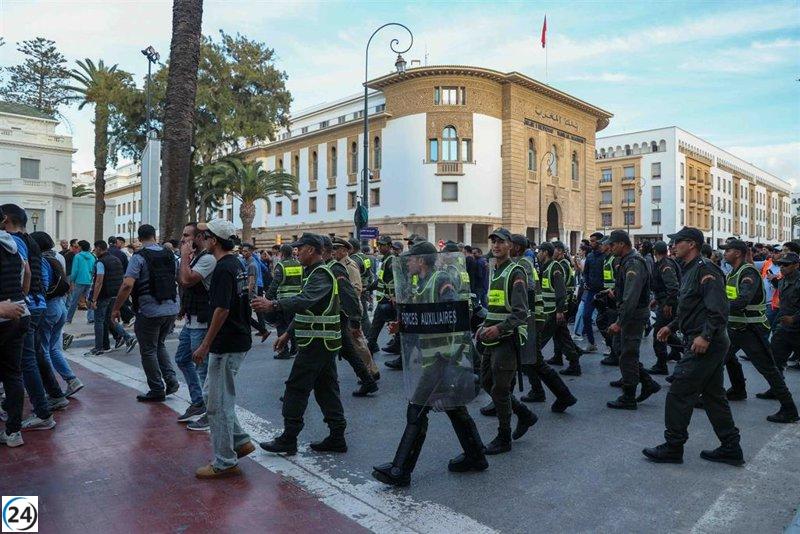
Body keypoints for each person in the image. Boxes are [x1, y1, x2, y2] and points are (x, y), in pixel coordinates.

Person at [372, 240, 487, 487]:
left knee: (417, 409)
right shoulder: (423, 282)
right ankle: (476, 456)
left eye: (411, 259)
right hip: (436, 357)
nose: (408, 264)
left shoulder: (441, 279)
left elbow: (452, 313)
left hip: (442, 358)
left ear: (421, 260)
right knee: (455, 408)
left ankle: (400, 470)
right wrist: (404, 324)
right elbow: (425, 316)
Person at [644, 227, 743, 467]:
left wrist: (705, 336)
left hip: (706, 343)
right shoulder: (688, 269)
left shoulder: (705, 269)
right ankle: (731, 447)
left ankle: (673, 447)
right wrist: (671, 326)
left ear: (691, 244)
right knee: (713, 396)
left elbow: (719, 309)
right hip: (702, 339)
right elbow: (691, 306)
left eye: (677, 242)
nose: (673, 246)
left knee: (679, 392)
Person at [255, 233, 347, 455]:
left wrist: (273, 305)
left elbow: (304, 300)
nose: (296, 252)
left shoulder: (321, 274)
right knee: (326, 389)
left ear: (312, 250)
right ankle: (337, 437)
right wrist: (288, 334)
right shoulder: (312, 273)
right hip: (320, 342)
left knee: (296, 388)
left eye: (300, 248)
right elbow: (307, 308)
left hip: (317, 343)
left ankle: (289, 438)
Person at [191, 219, 255, 478]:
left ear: (214, 240)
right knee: (213, 395)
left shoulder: (223, 268)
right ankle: (240, 441)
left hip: (226, 343)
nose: (202, 240)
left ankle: (224, 461)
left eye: (205, 236)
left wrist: (205, 344)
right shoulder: (236, 264)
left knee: (218, 404)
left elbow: (222, 309)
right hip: (235, 339)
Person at [0, 204, 66, 430]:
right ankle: (53, 396)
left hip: (19, 307)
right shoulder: (31, 241)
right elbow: (31, 272)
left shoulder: (11, 241)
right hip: (35, 304)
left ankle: (42, 412)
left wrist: (20, 298)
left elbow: (25, 272)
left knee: (24, 363)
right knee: (33, 357)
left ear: (6, 220)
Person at [720, 240, 798, 423]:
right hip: (736, 328)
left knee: (769, 369)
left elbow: (743, 300)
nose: (724, 253)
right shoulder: (734, 272)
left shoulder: (748, 273)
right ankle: (737, 389)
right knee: (721, 359)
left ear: (737, 253)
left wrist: (717, 307)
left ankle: (789, 409)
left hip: (750, 329)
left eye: (728, 250)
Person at [476, 228, 537, 455]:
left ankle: (504, 437)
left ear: (510, 245)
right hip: (491, 339)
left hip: (507, 339)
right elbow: (496, 307)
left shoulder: (515, 271)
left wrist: (498, 328)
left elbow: (520, 312)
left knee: (500, 390)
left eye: (501, 242)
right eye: (493, 242)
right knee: (486, 382)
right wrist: (484, 325)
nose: (496, 246)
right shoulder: (496, 271)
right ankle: (525, 414)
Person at [111, 224, 179, 402]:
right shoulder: (169, 254)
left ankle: (157, 388)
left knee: (148, 350)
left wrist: (116, 308)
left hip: (149, 310)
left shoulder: (139, 257)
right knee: (160, 345)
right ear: (154, 236)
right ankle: (171, 380)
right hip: (171, 307)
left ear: (139, 239)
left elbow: (127, 284)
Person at [510, 235, 576, 413]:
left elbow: (527, 293)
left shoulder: (523, 265)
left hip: (532, 317)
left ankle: (563, 395)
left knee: (535, 360)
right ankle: (540, 391)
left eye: (507, 243)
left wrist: (559, 309)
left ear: (516, 247)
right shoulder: (525, 264)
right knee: (530, 360)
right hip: (535, 316)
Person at [605, 230, 661, 410]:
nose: (610, 247)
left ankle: (629, 396)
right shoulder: (626, 261)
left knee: (628, 354)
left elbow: (631, 297)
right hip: (631, 314)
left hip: (633, 316)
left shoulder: (634, 263)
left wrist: (619, 323)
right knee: (622, 350)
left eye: (612, 244)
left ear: (622, 244)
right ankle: (647, 382)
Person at [172, 223, 215, 428]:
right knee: (182, 359)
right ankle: (198, 401)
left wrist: (183, 257)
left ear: (198, 237)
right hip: (191, 320)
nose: (183, 239)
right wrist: (184, 308)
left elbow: (187, 280)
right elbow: (186, 286)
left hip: (202, 322)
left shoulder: (207, 259)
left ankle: (210, 413)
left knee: (203, 368)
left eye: (187, 235)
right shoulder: (196, 257)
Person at [30, 231, 83, 398]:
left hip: (49, 307)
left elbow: (43, 285)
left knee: (44, 349)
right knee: (54, 348)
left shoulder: (41, 260)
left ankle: (51, 389)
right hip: (60, 305)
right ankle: (72, 380)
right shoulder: (57, 257)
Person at [323, 237, 378, 396]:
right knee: (349, 347)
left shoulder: (349, 265)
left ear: (344, 250)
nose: (334, 252)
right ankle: (368, 377)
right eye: (333, 249)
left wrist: (352, 314)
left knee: (357, 343)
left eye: (337, 249)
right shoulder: (336, 265)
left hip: (348, 308)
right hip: (343, 309)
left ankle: (371, 372)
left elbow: (355, 289)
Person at [0, 204, 30, 447]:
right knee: (13, 374)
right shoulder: (12, 244)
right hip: (21, 312)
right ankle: (13, 432)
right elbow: (26, 273)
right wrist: (19, 298)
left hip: (4, 315)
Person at [538, 243, 582, 375]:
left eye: (539, 251)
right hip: (551, 311)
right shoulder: (547, 267)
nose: (538, 254)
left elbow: (561, 291)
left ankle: (531, 362)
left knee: (541, 338)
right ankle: (574, 362)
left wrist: (559, 311)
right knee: (562, 337)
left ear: (545, 253)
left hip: (554, 312)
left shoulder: (555, 267)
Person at [87, 240, 136, 356]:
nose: (94, 251)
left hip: (103, 295)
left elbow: (99, 281)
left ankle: (98, 347)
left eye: (95, 249)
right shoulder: (116, 259)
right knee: (109, 319)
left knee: (99, 321)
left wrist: (94, 299)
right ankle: (127, 338)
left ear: (99, 249)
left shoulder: (100, 262)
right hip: (115, 294)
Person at [648, 241, 682, 375]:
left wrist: (668, 304)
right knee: (667, 331)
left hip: (668, 304)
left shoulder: (665, 265)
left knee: (659, 333)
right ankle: (681, 351)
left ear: (655, 252)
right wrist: (656, 299)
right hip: (664, 301)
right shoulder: (663, 263)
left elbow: (673, 287)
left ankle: (661, 365)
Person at [265, 244, 301, 359]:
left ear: (282, 253)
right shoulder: (299, 264)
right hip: (297, 300)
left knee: (281, 325)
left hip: (283, 302)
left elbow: (275, 284)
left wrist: (267, 299)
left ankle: (283, 350)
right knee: (293, 324)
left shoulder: (281, 265)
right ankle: (295, 348)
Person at [770, 252, 800, 374]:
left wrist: (794, 318)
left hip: (797, 328)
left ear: (796, 265)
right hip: (784, 328)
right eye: (781, 264)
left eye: (786, 265)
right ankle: (777, 386)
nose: (782, 267)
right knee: (775, 361)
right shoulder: (782, 281)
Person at [367, 236, 397, 355]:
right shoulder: (385, 260)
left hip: (389, 299)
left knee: (378, 323)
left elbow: (397, 279)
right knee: (384, 322)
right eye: (379, 245)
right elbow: (380, 280)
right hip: (384, 298)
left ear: (389, 246)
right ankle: (373, 344)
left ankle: (371, 345)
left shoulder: (391, 260)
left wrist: (394, 296)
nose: (380, 247)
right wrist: (367, 288)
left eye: (383, 245)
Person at [580, 233, 605, 352]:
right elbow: (585, 272)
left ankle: (610, 345)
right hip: (591, 291)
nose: (590, 243)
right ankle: (591, 343)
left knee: (604, 319)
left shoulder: (606, 256)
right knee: (585, 316)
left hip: (603, 292)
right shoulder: (589, 256)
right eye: (590, 241)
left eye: (593, 241)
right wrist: (586, 282)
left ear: (600, 242)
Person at [242, 243, 270, 342]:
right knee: (247, 315)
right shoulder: (249, 262)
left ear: (250, 252)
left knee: (246, 315)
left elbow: (251, 282)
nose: (243, 253)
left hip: (251, 293)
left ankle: (262, 331)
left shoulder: (252, 264)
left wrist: (247, 295)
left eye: (246, 251)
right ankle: (263, 330)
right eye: (243, 251)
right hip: (253, 290)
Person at [65, 240, 95, 324]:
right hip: (89, 280)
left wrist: (72, 280)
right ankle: (91, 318)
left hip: (79, 280)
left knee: (74, 301)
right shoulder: (92, 256)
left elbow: (75, 270)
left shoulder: (77, 256)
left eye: (78, 246)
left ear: (81, 247)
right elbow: (93, 269)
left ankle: (68, 319)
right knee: (89, 299)